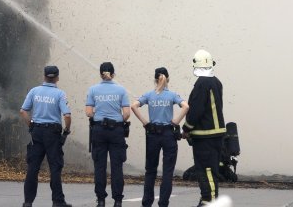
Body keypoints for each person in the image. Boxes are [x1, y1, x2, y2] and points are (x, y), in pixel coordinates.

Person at [131, 67, 189, 207]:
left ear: (155, 79)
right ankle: (163, 203)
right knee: (167, 172)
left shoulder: (150, 95)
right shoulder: (172, 95)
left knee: (150, 170)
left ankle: (146, 203)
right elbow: (186, 107)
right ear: (167, 79)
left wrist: (145, 123)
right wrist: (175, 122)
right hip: (168, 134)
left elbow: (133, 106)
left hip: (153, 134)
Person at [20, 65, 72, 207]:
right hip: (53, 133)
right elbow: (67, 115)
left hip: (36, 132)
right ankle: (57, 201)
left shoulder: (34, 91)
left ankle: (28, 202)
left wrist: (31, 125)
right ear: (57, 78)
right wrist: (66, 130)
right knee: (55, 166)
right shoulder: (60, 94)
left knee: (33, 167)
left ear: (44, 76)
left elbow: (23, 111)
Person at [182, 50, 226, 206]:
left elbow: (196, 110)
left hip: (205, 136)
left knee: (206, 171)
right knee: (212, 171)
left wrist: (186, 129)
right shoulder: (216, 82)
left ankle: (209, 200)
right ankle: (209, 199)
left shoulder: (201, 83)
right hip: (216, 135)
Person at [86, 61, 130, 207]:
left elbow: (88, 112)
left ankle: (101, 200)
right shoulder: (122, 90)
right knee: (117, 166)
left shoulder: (92, 90)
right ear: (113, 74)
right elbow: (126, 114)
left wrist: (99, 116)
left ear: (100, 74)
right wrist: (116, 120)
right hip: (116, 131)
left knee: (100, 166)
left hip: (98, 130)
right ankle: (117, 200)